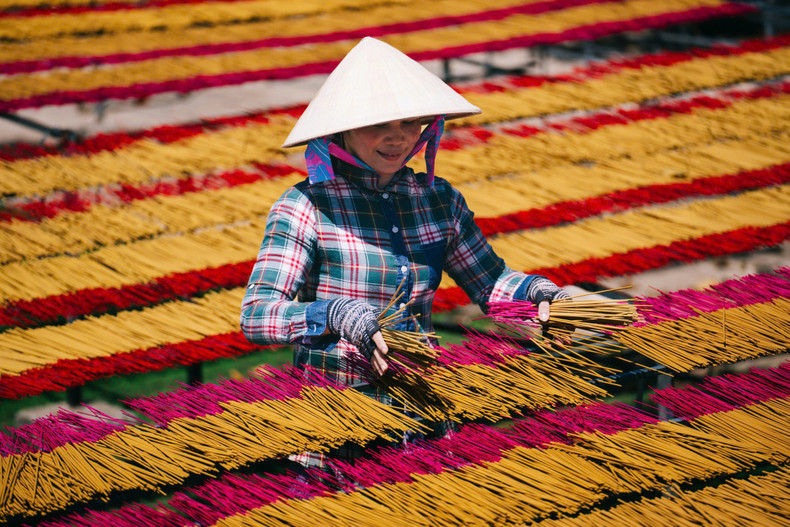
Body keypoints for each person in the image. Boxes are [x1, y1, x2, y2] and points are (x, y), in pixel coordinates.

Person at [240, 37, 569, 468]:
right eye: (379, 124)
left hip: (421, 411)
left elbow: (490, 283)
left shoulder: (438, 200)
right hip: (337, 418)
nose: (397, 137)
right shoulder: (304, 207)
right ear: (341, 131)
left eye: (411, 122)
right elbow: (257, 314)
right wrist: (334, 314)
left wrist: (538, 293)